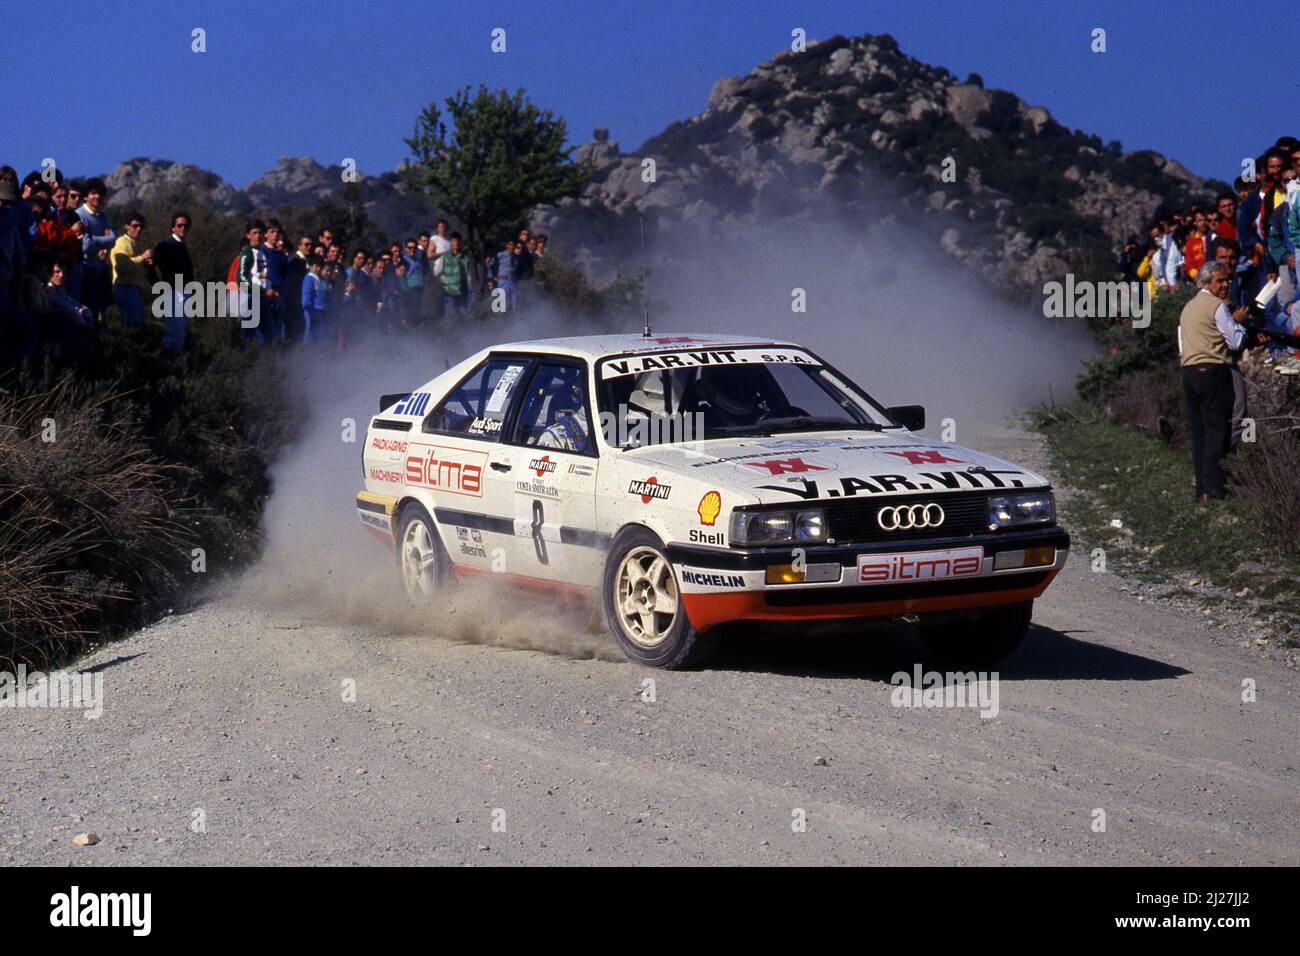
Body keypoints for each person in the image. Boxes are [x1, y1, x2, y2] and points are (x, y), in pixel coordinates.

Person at [1177, 263, 1266, 500]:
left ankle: (1201, 490)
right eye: (1219, 281)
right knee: (1217, 430)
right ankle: (1214, 486)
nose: (1225, 284)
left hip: (1189, 372)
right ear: (1206, 283)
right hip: (1213, 370)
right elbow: (1235, 341)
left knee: (1200, 433)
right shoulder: (1216, 306)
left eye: (1226, 280)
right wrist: (1242, 324)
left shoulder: (1187, 308)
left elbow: (1182, 346)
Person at [153, 211, 194, 349]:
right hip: (172, 293)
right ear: (173, 227)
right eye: (180, 225)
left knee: (181, 329)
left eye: (186, 226)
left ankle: (177, 362)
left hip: (184, 293)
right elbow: (150, 266)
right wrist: (159, 286)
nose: (183, 228)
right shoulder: (166, 245)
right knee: (173, 330)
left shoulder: (183, 246)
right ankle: (167, 360)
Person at [76, 178, 115, 321]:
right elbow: (85, 246)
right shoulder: (80, 215)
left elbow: (112, 240)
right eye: (93, 193)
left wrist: (93, 238)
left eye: (99, 194)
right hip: (85, 268)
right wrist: (100, 241)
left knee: (102, 309)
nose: (96, 197)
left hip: (99, 267)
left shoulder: (103, 217)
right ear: (86, 196)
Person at [110, 211, 152, 325]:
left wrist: (146, 265)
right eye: (135, 226)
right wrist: (142, 257)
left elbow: (137, 271)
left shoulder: (136, 244)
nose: (138, 229)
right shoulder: (122, 242)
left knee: (137, 326)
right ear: (126, 226)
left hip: (135, 289)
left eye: (141, 226)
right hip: (126, 288)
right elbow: (122, 267)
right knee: (132, 325)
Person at [237, 219, 267, 343]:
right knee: (249, 335)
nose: (258, 236)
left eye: (260, 233)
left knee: (270, 334)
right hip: (251, 298)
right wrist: (260, 290)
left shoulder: (263, 253)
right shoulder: (247, 253)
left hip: (263, 298)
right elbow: (241, 278)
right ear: (248, 235)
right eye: (254, 233)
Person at [434, 232, 470, 316]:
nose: (456, 243)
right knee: (450, 316)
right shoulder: (445, 257)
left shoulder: (466, 257)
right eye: (454, 241)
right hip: (449, 292)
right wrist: (444, 281)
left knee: (464, 316)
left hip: (463, 291)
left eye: (458, 241)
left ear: (461, 242)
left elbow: (469, 274)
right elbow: (436, 272)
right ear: (450, 242)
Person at [301, 255, 327, 344]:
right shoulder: (309, 278)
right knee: (309, 335)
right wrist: (310, 311)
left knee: (319, 336)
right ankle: (305, 352)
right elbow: (306, 297)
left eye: (320, 266)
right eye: (316, 266)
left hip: (319, 311)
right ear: (311, 266)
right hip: (312, 312)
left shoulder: (318, 279)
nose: (318, 268)